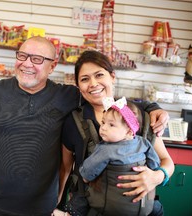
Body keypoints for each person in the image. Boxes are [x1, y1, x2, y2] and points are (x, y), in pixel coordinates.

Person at [0, 37, 169, 216]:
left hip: (41, 209)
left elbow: (108, 98)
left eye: (37, 59)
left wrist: (152, 107)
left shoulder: (67, 96)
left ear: (52, 66)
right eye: (22, 56)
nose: (27, 64)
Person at [55, 50, 174, 216]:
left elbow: (166, 161)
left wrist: (157, 177)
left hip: (143, 209)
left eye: (99, 75)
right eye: (84, 79)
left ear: (112, 77)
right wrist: (57, 205)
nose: (93, 83)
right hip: (92, 209)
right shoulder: (73, 122)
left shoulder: (141, 116)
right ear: (78, 86)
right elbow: (65, 169)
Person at [78, 97, 161, 215]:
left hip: (114, 208)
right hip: (145, 208)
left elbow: (87, 173)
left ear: (129, 131)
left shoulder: (105, 150)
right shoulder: (143, 142)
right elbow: (154, 163)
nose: (103, 128)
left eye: (111, 125)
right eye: (103, 122)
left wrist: (85, 177)